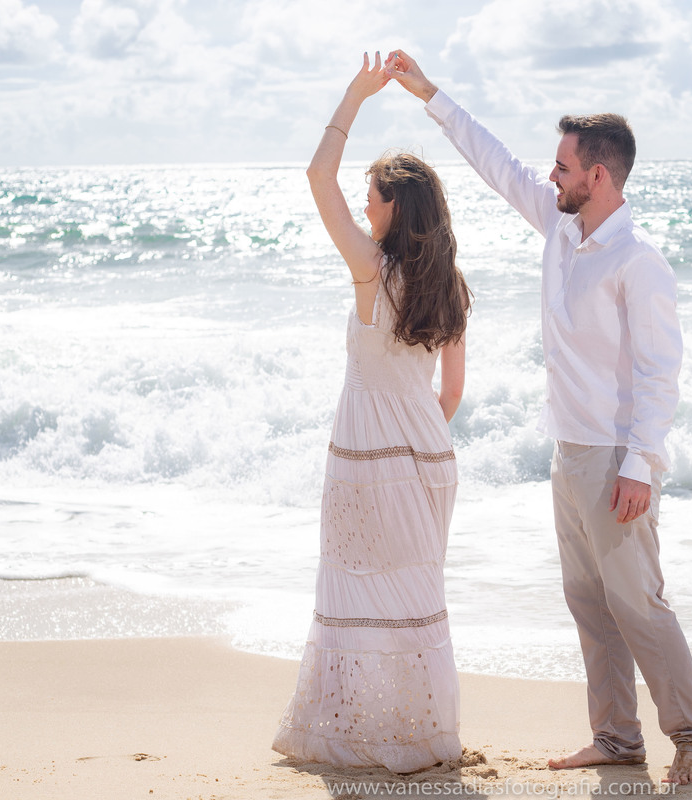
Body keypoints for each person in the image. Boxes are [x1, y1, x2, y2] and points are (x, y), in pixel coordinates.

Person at [385, 50, 692, 785]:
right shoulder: (562, 229)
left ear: (598, 176)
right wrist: (428, 94)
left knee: (638, 602)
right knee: (588, 602)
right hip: (568, 452)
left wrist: (639, 465)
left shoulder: (639, 261)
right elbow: (495, 162)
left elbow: (660, 375)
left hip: (613, 457)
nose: (551, 177)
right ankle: (616, 737)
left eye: (563, 168)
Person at [272, 52, 470, 773]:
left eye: (372, 198)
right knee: (415, 601)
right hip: (429, 459)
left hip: (367, 460)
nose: (363, 206)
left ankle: (360, 732)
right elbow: (450, 393)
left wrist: (354, 94)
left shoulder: (371, 269)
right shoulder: (450, 285)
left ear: (395, 208)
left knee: (356, 591)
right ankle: (423, 734)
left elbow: (315, 177)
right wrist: (416, 443)